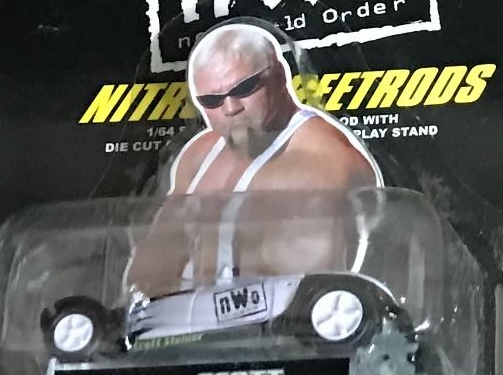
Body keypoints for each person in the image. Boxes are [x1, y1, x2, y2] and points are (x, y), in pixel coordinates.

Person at [128, 22, 379, 293]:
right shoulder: (198, 154)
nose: (230, 108)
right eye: (212, 100)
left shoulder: (321, 163)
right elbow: (147, 273)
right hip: (190, 314)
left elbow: (307, 292)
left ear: (279, 76)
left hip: (278, 319)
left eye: (243, 88)